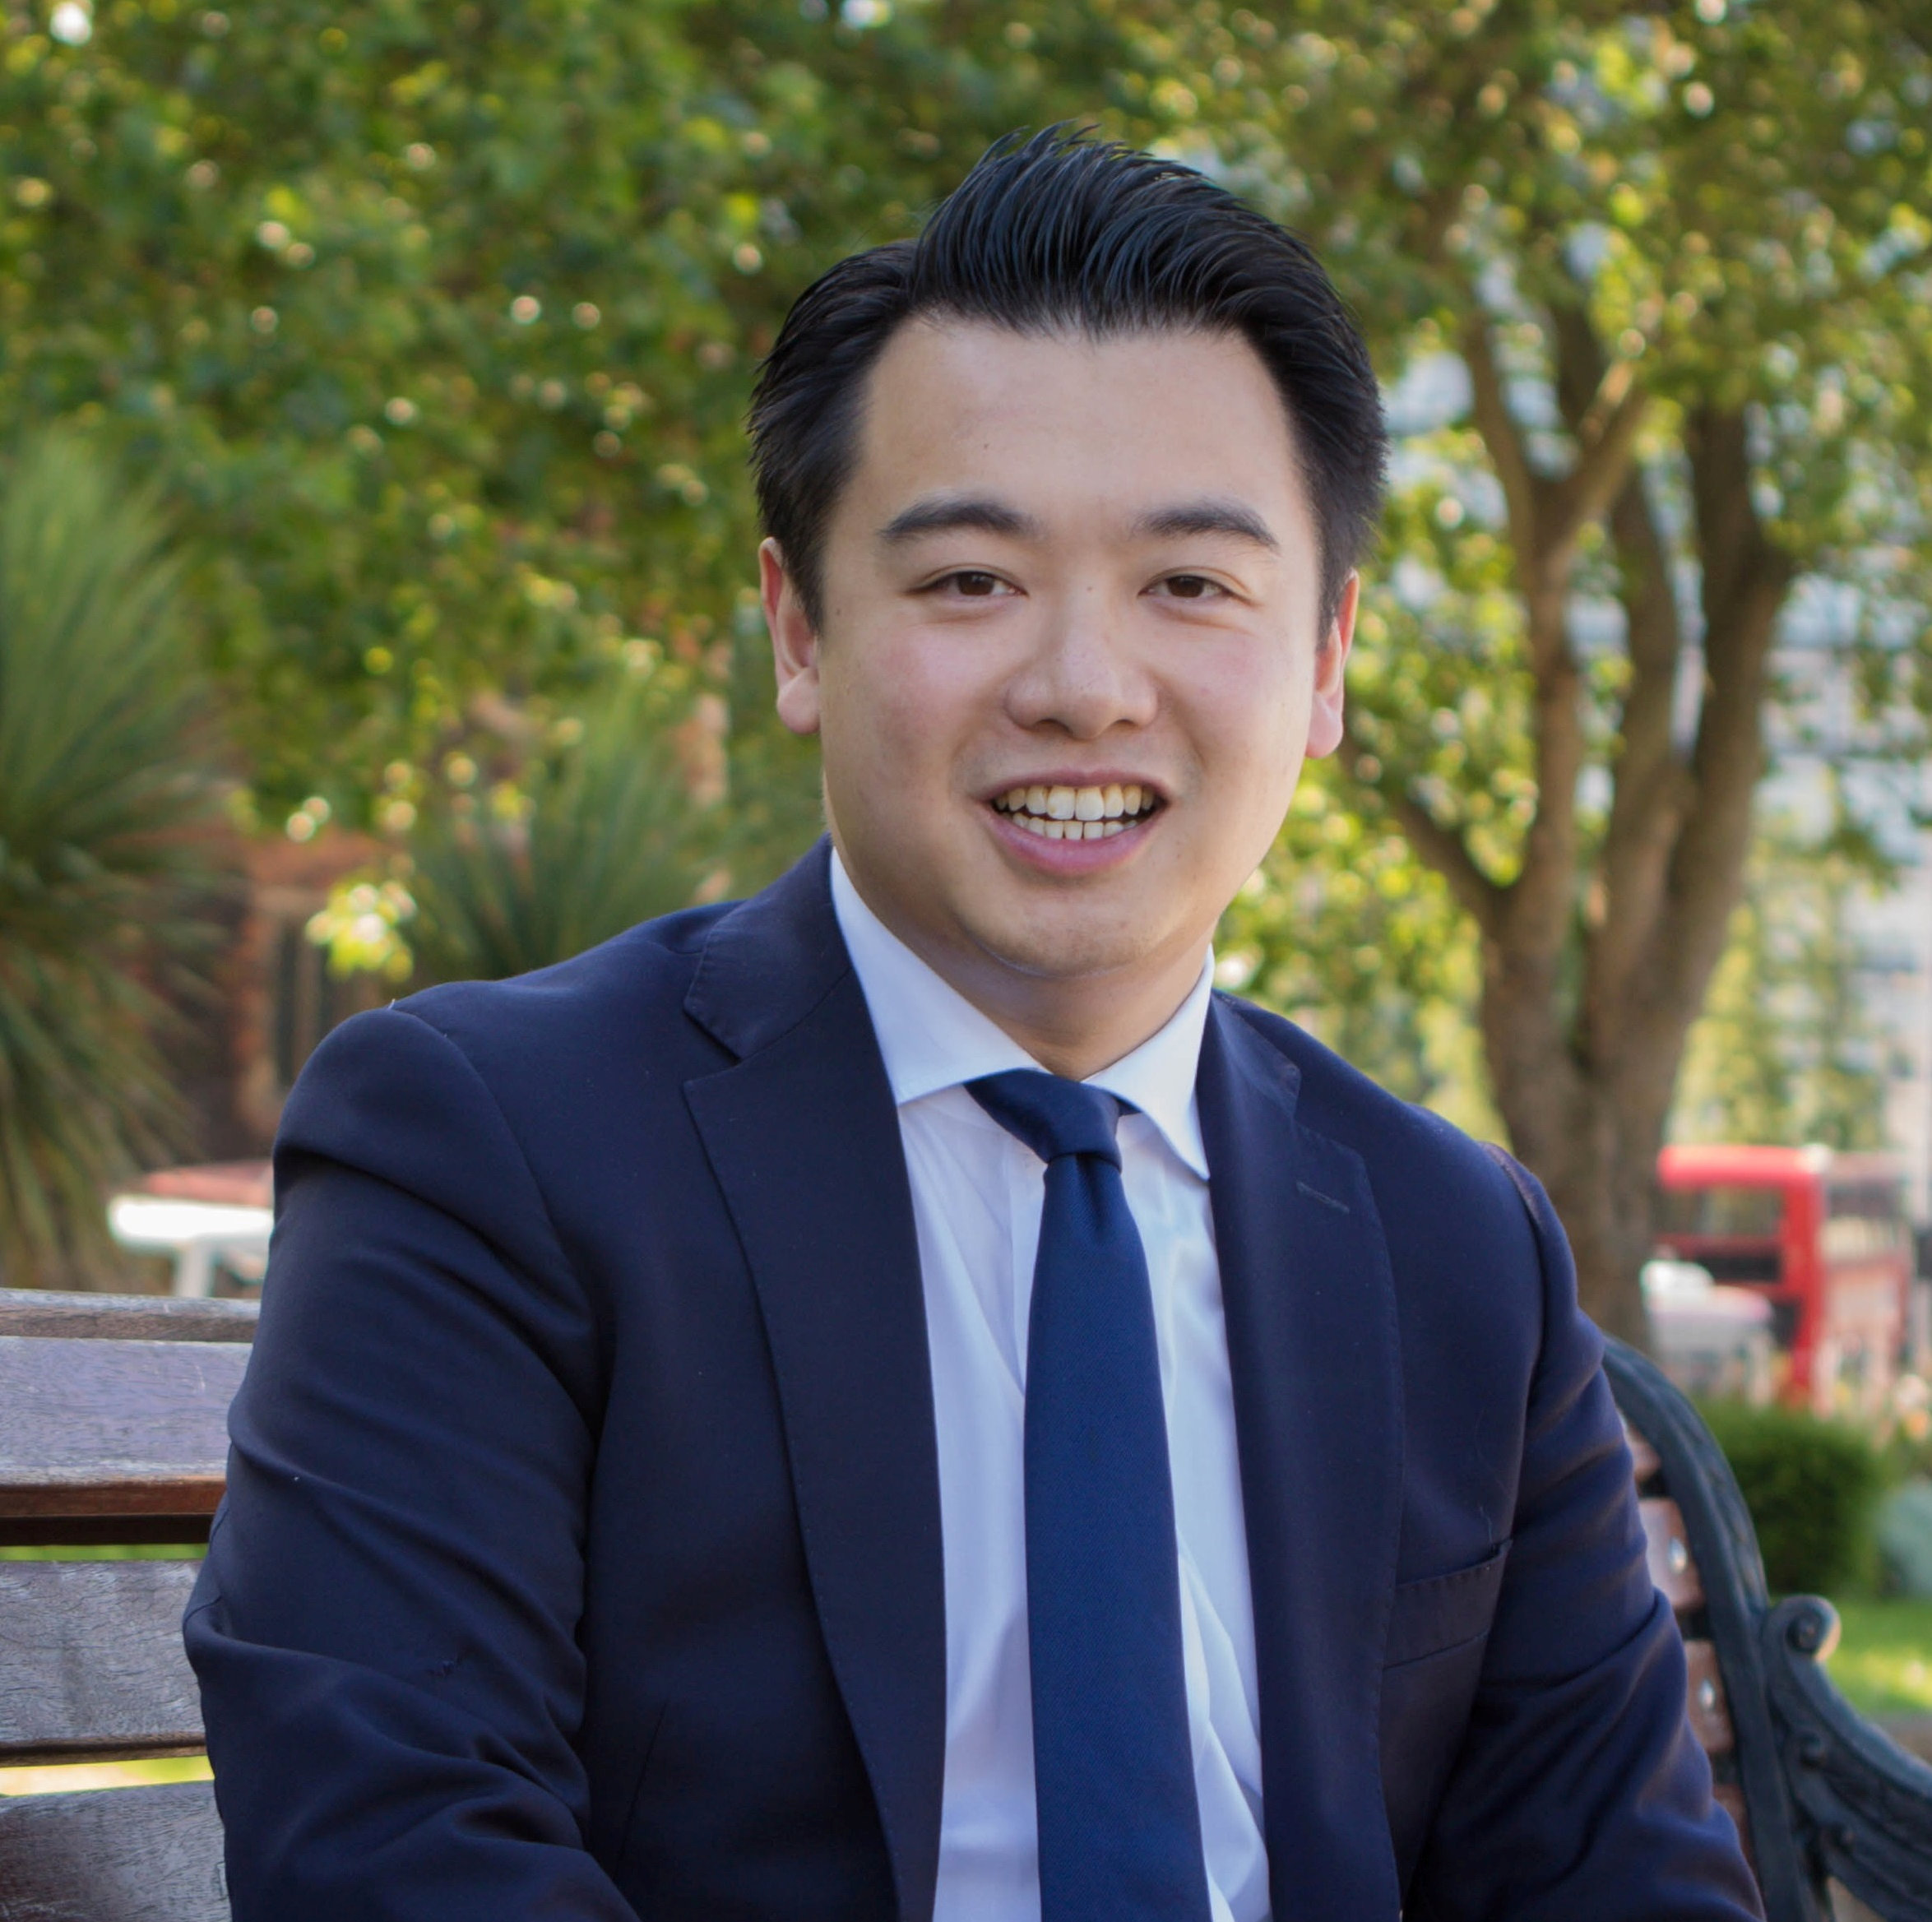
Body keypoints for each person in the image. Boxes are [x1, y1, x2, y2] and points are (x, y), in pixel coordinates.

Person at [186, 129, 1763, 1922]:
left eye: (1189, 584)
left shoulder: (1456, 1246)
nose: (1082, 685)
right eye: (968, 581)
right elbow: (392, 1846)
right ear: (797, 628)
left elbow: (1621, 1879)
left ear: (1324, 660)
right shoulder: (488, 1149)